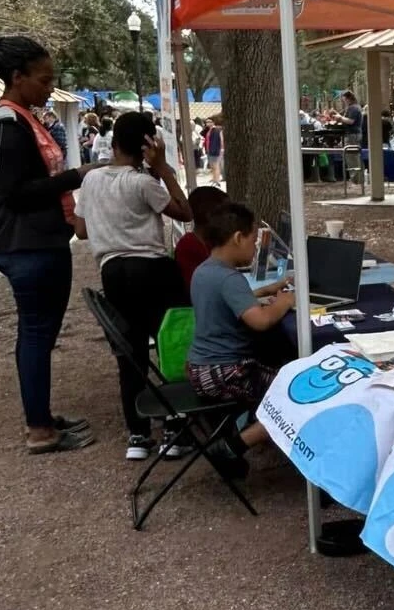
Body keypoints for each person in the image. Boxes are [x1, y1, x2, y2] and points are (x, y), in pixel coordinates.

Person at [0, 35, 98, 453]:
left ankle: (40, 415)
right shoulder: (6, 126)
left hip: (39, 241)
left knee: (39, 334)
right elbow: (17, 192)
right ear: (17, 77)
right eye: (43, 81)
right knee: (35, 332)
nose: (49, 88)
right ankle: (39, 428)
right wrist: (77, 176)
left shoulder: (21, 118)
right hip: (26, 245)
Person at [75, 112, 194, 460]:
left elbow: (81, 231)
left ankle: (138, 435)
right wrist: (165, 170)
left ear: (112, 143)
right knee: (173, 342)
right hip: (153, 268)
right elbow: (185, 212)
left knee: (130, 351)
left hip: (113, 272)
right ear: (148, 146)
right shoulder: (142, 183)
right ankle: (175, 426)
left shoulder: (92, 181)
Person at [186, 201, 295, 468]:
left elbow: (225, 299)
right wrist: (285, 301)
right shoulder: (229, 279)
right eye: (253, 240)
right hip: (226, 372)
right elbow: (259, 322)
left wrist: (264, 291)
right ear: (237, 238)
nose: (256, 247)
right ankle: (233, 446)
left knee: (281, 370)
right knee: (298, 393)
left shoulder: (205, 271)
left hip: (201, 367)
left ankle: (247, 430)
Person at [175, 185, 229, 289]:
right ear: (209, 215)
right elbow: (198, 286)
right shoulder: (188, 245)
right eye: (224, 214)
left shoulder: (211, 242)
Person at [206, 115, 224, 183]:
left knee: (216, 165)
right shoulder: (209, 130)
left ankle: (217, 179)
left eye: (209, 122)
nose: (207, 123)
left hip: (215, 150)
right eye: (206, 122)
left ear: (213, 122)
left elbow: (218, 140)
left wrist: (218, 149)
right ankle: (214, 178)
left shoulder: (216, 130)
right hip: (209, 150)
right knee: (212, 166)